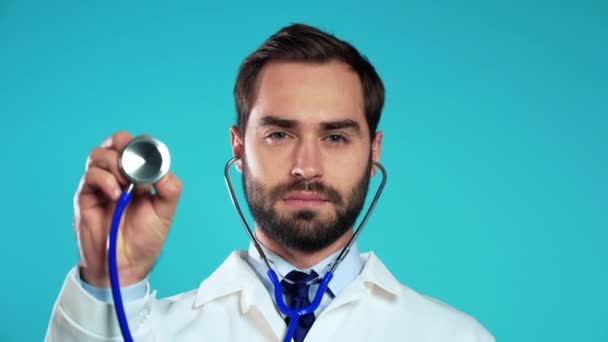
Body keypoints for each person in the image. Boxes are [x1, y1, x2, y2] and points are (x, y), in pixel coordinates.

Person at [46, 23, 494, 341]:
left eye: (335, 137)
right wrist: (110, 280)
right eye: (279, 134)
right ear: (238, 148)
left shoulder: (455, 336)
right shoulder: (149, 334)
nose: (306, 167)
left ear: (373, 151)